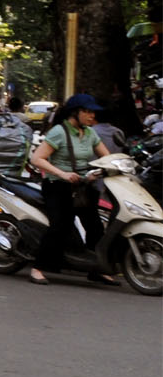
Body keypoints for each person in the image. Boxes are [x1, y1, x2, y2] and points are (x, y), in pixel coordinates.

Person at [27, 94, 114, 286]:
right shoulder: (59, 132)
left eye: (93, 112)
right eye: (87, 112)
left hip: (82, 186)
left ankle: (96, 269)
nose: (92, 116)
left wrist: (109, 168)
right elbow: (37, 159)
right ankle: (38, 267)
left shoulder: (90, 133)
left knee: (95, 227)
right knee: (60, 225)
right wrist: (63, 174)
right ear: (75, 113)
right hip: (57, 186)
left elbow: (106, 158)